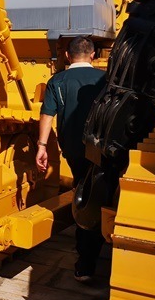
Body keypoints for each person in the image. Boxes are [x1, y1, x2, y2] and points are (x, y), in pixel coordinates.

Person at [36, 35, 106, 282]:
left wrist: (42, 146)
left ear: (67, 55)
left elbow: (47, 115)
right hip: (104, 151)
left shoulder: (57, 81)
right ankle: (96, 251)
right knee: (101, 197)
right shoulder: (106, 79)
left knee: (85, 198)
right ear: (93, 55)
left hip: (76, 153)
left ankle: (85, 262)